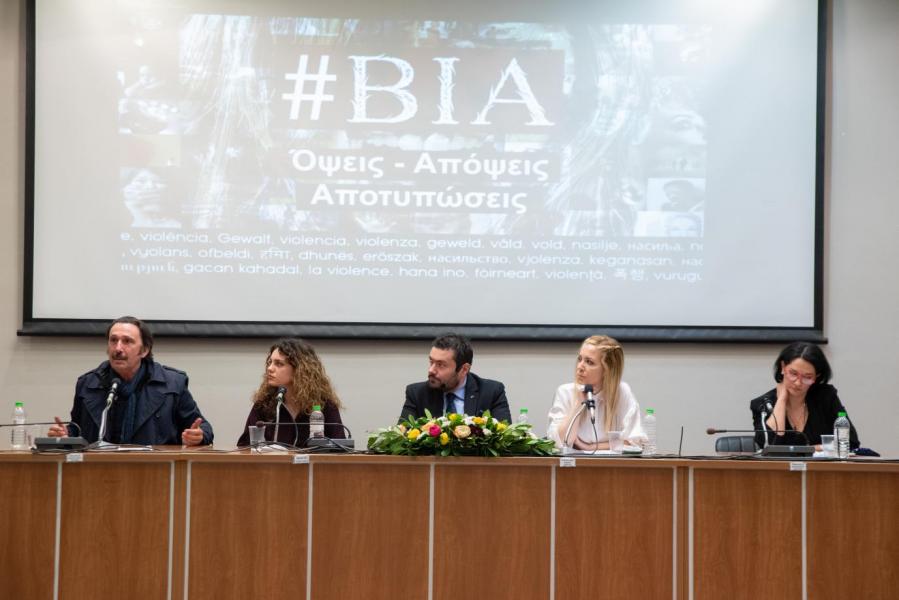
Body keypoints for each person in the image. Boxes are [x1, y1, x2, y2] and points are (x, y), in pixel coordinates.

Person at [48, 316, 213, 445]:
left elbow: (204, 428)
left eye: (127, 341)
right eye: (113, 340)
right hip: (99, 470)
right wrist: (66, 434)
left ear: (144, 350)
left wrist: (198, 436)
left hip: (155, 471)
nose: (118, 348)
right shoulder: (88, 384)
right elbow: (77, 429)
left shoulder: (172, 383)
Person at [750, 342, 860, 451]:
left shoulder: (826, 397)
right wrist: (781, 399)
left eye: (807, 377)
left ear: (816, 376)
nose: (798, 383)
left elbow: (851, 442)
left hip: (822, 463)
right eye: (793, 374)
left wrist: (808, 450)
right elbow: (767, 447)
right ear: (783, 367)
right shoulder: (763, 404)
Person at [237, 338, 345, 447]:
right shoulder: (264, 404)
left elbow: (341, 449)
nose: (269, 368)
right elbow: (244, 446)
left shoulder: (324, 405)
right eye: (270, 362)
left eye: (279, 364)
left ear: (299, 369)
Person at [547, 335, 646, 450]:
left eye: (589, 362)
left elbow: (635, 442)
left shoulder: (621, 392)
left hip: (611, 462)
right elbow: (558, 443)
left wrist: (591, 447)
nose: (580, 367)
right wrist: (578, 404)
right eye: (580, 359)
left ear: (606, 370)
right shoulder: (565, 392)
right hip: (573, 462)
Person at [400, 333, 511, 422]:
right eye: (431, 362)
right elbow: (402, 437)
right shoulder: (417, 394)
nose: (431, 370)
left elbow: (505, 438)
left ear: (464, 369)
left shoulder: (492, 392)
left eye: (441, 365)